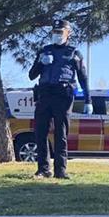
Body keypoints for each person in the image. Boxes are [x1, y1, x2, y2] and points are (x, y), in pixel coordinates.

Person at [28, 19, 90, 179]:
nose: (57, 35)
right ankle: (43, 169)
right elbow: (32, 75)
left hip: (63, 96)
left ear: (68, 33)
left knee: (60, 134)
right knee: (40, 133)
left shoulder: (74, 53)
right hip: (44, 95)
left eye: (60, 32)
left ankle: (60, 171)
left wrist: (88, 100)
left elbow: (83, 78)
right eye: (55, 32)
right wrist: (41, 63)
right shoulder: (44, 51)